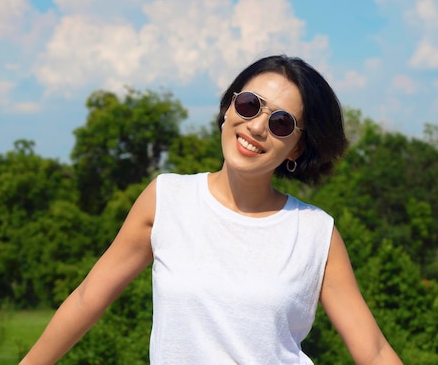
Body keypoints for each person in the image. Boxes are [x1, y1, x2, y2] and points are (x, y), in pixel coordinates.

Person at [20, 55, 402, 364]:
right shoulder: (166, 199)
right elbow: (89, 297)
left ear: (297, 149)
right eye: (250, 105)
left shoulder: (315, 232)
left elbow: (373, 351)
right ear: (229, 108)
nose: (256, 127)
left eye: (281, 123)